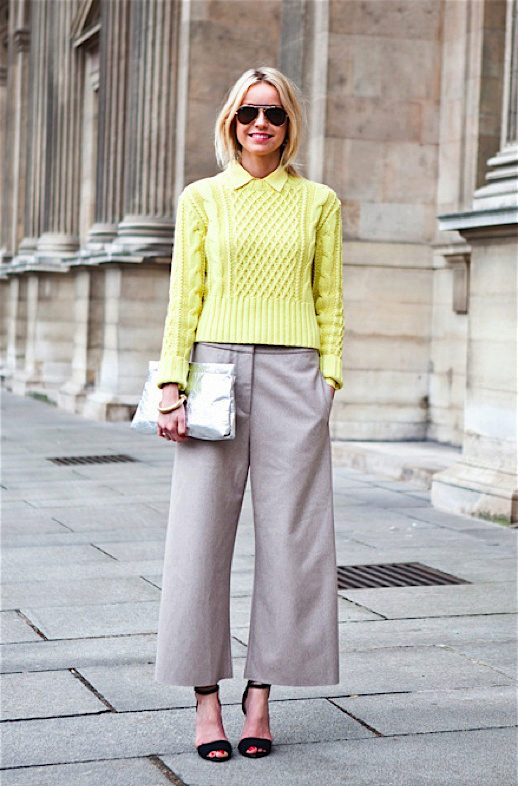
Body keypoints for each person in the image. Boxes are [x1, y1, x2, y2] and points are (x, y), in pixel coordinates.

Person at [154, 65, 344, 763]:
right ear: (231, 122)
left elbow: (330, 297)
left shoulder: (319, 201)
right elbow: (185, 295)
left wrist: (328, 378)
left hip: (296, 375)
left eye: (274, 114)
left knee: (295, 541)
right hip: (214, 371)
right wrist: (171, 383)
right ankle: (206, 702)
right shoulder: (202, 197)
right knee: (199, 539)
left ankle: (260, 696)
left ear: (289, 124)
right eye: (248, 113)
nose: (260, 124)